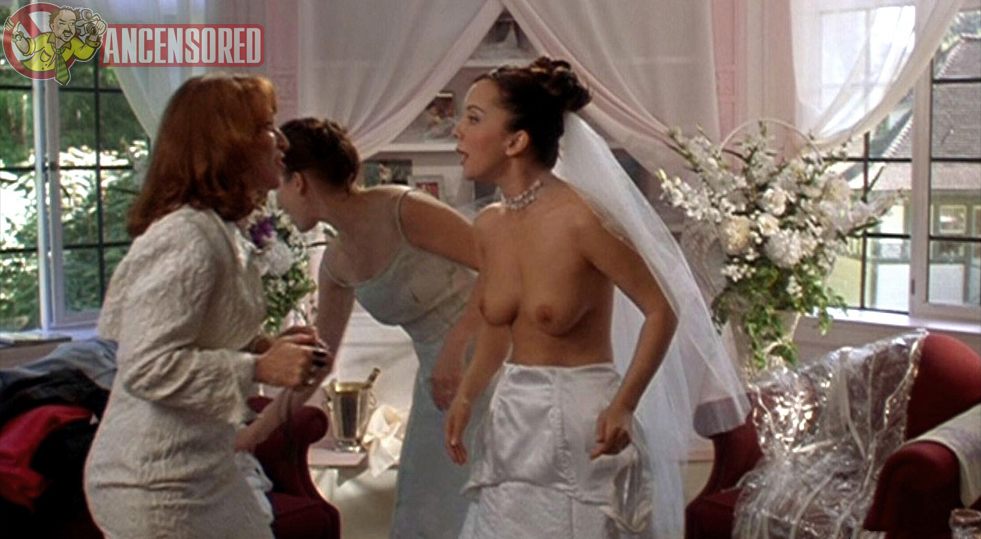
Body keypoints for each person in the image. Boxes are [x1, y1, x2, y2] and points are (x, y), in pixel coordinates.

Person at [444, 57, 749, 538]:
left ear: (516, 141)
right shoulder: (488, 226)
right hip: (512, 424)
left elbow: (661, 309)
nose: (457, 130)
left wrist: (625, 404)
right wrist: (466, 394)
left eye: (474, 118)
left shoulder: (583, 219)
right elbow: (496, 330)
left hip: (585, 424)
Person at [83, 74, 330, 539]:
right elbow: (145, 365)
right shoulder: (186, 238)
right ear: (227, 145)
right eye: (266, 128)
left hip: (201, 467)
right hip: (155, 479)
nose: (281, 141)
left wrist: (268, 346)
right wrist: (259, 368)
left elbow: (202, 332)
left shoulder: (221, 232)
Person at [251, 117, 495, 538]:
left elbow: (499, 267)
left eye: (279, 185)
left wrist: (455, 348)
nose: (278, 201)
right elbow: (320, 363)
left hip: (491, 358)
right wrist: (256, 433)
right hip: (437, 381)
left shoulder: (402, 208)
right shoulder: (336, 263)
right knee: (429, 505)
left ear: (299, 182)